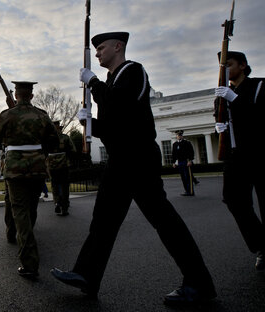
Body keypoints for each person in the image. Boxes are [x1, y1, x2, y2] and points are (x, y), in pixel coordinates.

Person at [50, 32, 216, 306]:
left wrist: (93, 83)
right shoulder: (112, 81)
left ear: (119, 47)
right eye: (97, 49)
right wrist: (90, 124)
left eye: (102, 48)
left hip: (138, 159)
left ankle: (199, 283)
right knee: (103, 221)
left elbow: (118, 103)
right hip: (120, 160)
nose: (99, 53)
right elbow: (116, 127)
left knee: (164, 222)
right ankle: (86, 275)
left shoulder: (133, 71)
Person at [0, 80, 55, 278]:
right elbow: (53, 140)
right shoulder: (41, 115)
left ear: (16, 95)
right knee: (32, 207)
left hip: (15, 168)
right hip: (36, 167)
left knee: (19, 210)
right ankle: (21, 237)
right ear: (32, 96)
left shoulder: (7, 115)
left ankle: (30, 262)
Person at [214, 51, 265, 271]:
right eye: (221, 66)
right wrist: (219, 126)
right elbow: (220, 118)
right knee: (233, 199)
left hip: (259, 153)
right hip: (236, 157)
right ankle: (261, 245)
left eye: (229, 64)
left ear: (243, 65)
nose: (224, 69)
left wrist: (236, 100)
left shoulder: (260, 86)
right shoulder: (222, 94)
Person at [46, 120, 76, 216]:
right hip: (64, 166)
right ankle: (65, 207)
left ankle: (57, 202)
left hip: (52, 166)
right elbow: (73, 150)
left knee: (54, 185)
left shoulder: (47, 139)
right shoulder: (65, 138)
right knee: (64, 187)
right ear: (60, 128)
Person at [171, 130, 196, 196]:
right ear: (176, 136)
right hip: (180, 162)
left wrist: (190, 160)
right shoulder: (175, 144)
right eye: (178, 135)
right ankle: (186, 191)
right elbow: (174, 154)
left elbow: (191, 152)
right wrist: (173, 162)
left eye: (180, 135)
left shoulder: (187, 143)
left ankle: (191, 191)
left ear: (182, 135)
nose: (179, 136)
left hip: (186, 161)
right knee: (183, 178)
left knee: (188, 177)